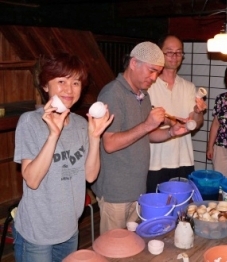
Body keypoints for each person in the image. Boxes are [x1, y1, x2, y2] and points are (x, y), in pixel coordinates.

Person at [13, 52, 113, 262]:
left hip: (69, 228)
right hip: (37, 232)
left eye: (76, 82)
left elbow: (91, 176)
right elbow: (31, 179)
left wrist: (94, 137)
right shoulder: (30, 122)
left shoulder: (80, 124)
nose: (69, 89)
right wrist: (53, 135)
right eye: (61, 81)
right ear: (45, 85)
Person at [91, 41, 188, 233]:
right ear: (134, 63)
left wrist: (170, 132)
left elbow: (145, 134)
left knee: (133, 244)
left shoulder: (143, 95)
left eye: (157, 73)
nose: (154, 78)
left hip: (137, 187)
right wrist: (147, 125)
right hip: (115, 191)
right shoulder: (112, 93)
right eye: (151, 71)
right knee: (113, 249)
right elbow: (109, 143)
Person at [146, 35, 207, 193]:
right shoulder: (149, 86)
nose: (175, 56)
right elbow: (144, 125)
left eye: (179, 52)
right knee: (158, 210)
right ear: (160, 54)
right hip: (155, 162)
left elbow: (195, 124)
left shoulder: (188, 87)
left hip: (183, 159)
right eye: (170, 52)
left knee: (183, 210)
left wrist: (197, 112)